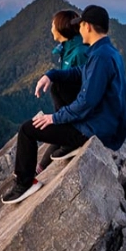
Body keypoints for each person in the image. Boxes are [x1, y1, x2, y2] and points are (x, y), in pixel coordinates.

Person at [1, 4, 126, 204]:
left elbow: (86, 102)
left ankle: (25, 183)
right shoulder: (106, 51)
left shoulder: (100, 57)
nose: (78, 30)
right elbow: (80, 73)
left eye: (80, 26)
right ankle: (64, 143)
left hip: (93, 129)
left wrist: (53, 118)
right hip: (103, 123)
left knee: (28, 129)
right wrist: (51, 74)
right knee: (56, 90)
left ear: (88, 27)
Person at [37, 10, 89, 174]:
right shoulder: (68, 47)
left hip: (82, 110)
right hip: (71, 111)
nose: (51, 28)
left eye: (53, 25)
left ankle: (69, 137)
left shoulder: (80, 52)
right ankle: (39, 170)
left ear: (61, 27)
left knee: (57, 86)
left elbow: (87, 86)